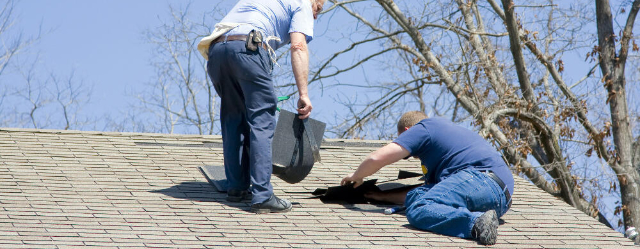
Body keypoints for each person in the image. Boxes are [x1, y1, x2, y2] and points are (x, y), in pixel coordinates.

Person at [199, 0, 326, 214]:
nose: (315, 16)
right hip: (249, 49)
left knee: (233, 118)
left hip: (217, 51)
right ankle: (262, 195)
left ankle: (237, 188)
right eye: (318, 10)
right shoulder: (302, 3)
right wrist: (303, 94)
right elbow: (298, 45)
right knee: (262, 121)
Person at [341, 111, 514, 245]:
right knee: (418, 196)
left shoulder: (424, 128)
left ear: (408, 132)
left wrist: (356, 176)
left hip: (482, 181)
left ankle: (475, 223)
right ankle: (483, 219)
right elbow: (430, 193)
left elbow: (378, 158)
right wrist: (381, 197)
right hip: (498, 199)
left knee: (419, 208)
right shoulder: (446, 144)